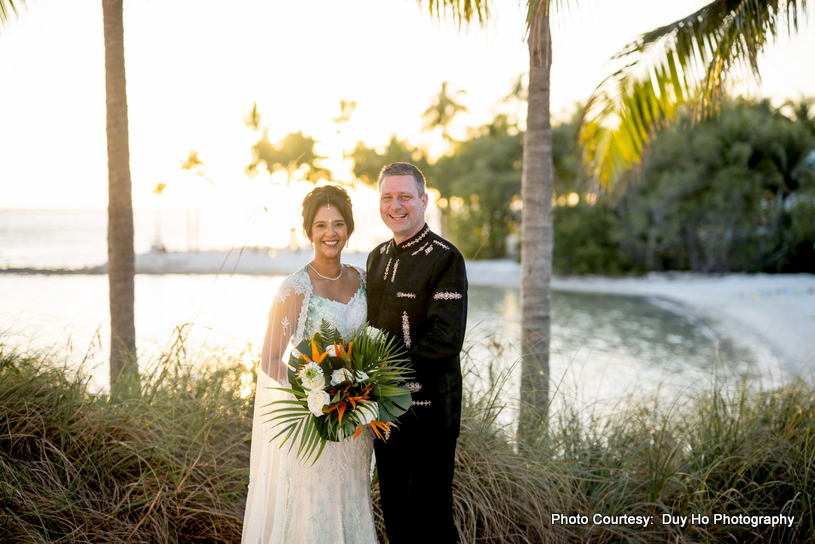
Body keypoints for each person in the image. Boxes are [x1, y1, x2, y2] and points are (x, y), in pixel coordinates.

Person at [241, 185, 376, 544]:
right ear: (309, 231)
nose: (330, 233)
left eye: (338, 224)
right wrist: (314, 394)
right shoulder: (295, 289)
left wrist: (363, 392)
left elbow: (371, 346)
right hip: (313, 425)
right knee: (313, 513)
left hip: (356, 425)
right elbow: (270, 358)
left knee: (353, 507)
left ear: (349, 228)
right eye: (321, 225)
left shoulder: (363, 280)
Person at [366, 162, 468, 544]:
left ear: (423, 201)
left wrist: (381, 373)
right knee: (395, 513)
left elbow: (446, 338)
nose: (395, 206)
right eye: (387, 197)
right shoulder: (376, 258)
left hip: (430, 415)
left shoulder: (445, 258)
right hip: (384, 412)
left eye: (405, 197)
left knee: (432, 518)